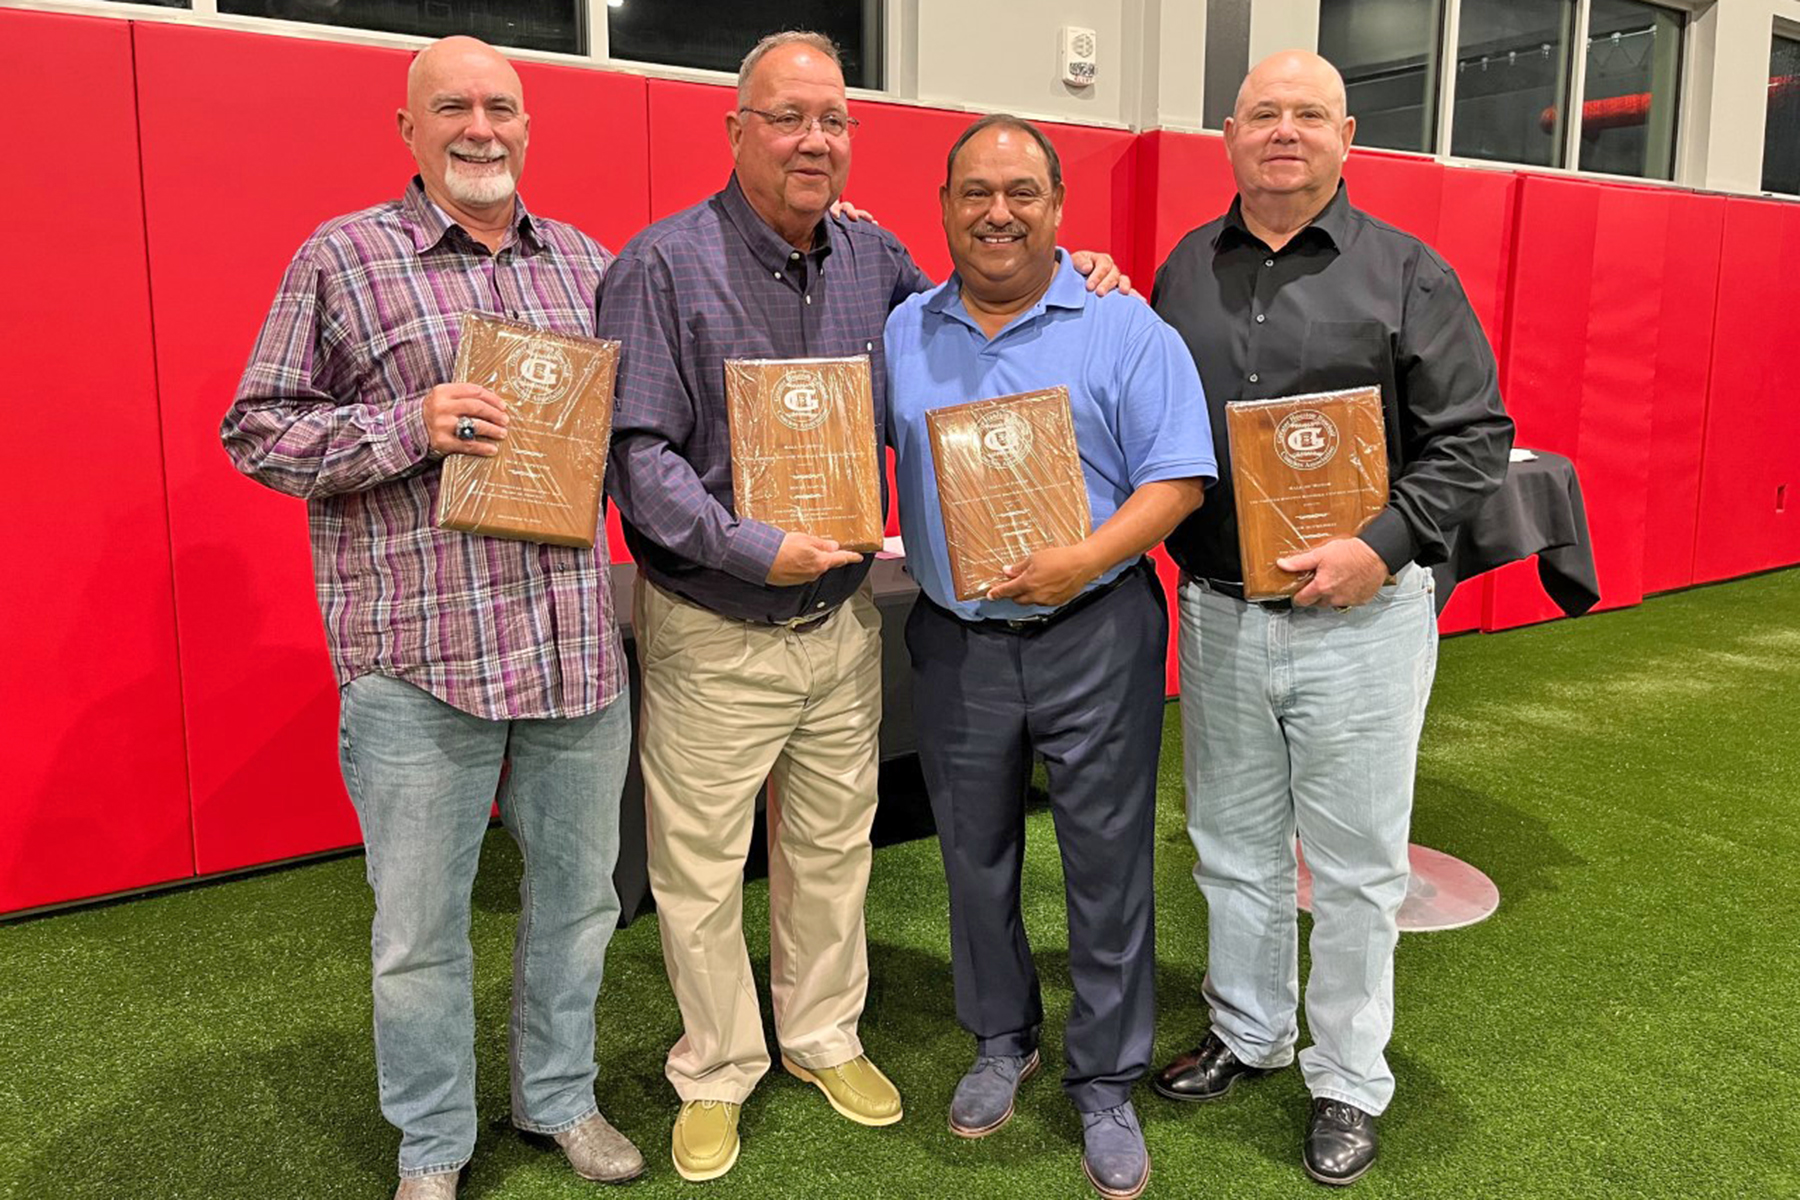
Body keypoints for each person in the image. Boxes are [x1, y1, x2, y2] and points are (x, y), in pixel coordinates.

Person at [595, 30, 1125, 1183]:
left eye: (832, 120)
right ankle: (719, 1066)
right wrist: (750, 546)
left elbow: (970, 311)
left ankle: (822, 1035)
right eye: (788, 118)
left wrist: (1076, 273)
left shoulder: (873, 257)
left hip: (838, 624)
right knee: (698, 870)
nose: (813, 140)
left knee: (833, 852)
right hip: (713, 622)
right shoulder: (661, 264)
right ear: (736, 131)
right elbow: (634, 456)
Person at [221, 37, 640, 1200]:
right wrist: (411, 424)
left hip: (570, 654)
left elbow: (656, 417)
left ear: (528, 123)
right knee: (418, 933)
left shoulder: (593, 267)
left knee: (580, 901)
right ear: (407, 129)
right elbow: (255, 428)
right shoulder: (342, 259)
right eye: (451, 106)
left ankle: (557, 1095)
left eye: (501, 106)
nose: (480, 127)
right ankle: (433, 1143)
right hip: (418, 666)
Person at [1148, 50, 1513, 1186]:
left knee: (1356, 871)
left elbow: (1473, 440)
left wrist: (1380, 546)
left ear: (1347, 136)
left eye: (1310, 114)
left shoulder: (1409, 274)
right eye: (1265, 113)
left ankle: (1347, 1079)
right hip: (1216, 613)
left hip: (1361, 617)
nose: (1286, 131)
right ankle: (1250, 1031)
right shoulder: (1181, 274)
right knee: (1232, 851)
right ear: (1229, 134)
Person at [884, 115, 1214, 1199]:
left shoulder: (1125, 325)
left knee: (1108, 863)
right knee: (972, 857)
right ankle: (1000, 1039)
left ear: (1057, 207)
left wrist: (1084, 561)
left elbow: (1177, 480)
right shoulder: (902, 333)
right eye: (975, 192)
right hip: (955, 640)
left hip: (1097, 629)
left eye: (1021, 191)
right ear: (943, 208)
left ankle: (1107, 1080)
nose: (997, 213)